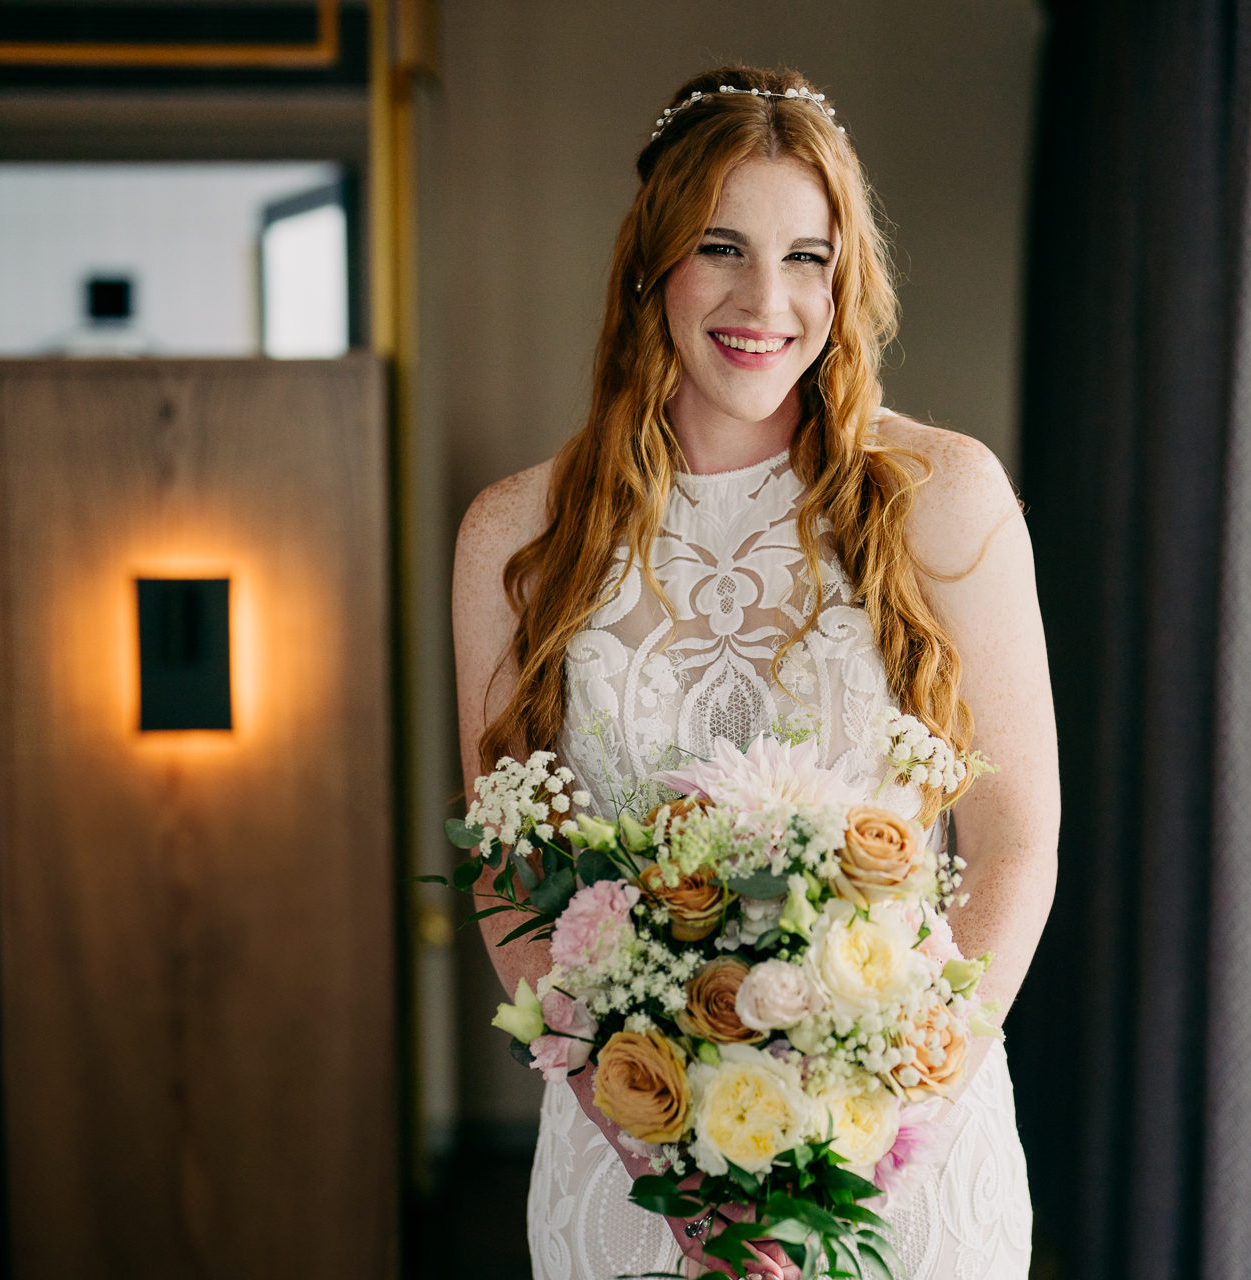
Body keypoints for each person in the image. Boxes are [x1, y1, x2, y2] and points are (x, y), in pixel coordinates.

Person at [452, 64, 1058, 1280]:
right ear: (651, 266)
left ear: (846, 278)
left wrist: (855, 1140)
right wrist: (663, 1154)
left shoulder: (942, 499)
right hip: (632, 1158)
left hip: (898, 1168)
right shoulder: (516, 536)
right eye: (722, 247)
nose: (764, 299)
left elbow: (1011, 844)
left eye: (807, 257)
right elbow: (513, 866)